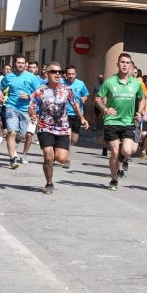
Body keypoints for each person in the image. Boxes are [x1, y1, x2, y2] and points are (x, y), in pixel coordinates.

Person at [29, 61, 89, 194]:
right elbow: (31, 107)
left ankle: (50, 161)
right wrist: (33, 116)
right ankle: (49, 183)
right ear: (46, 74)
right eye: (54, 72)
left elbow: (75, 104)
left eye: (59, 72)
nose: (57, 74)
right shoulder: (40, 91)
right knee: (48, 156)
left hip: (62, 128)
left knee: (61, 158)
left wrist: (82, 118)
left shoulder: (67, 90)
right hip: (45, 127)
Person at [95, 53, 146, 191]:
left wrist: (140, 112)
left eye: (127, 63)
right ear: (118, 64)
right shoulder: (109, 82)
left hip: (128, 122)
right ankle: (113, 180)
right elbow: (98, 98)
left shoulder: (136, 83)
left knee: (127, 150)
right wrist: (105, 109)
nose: (124, 65)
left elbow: (142, 98)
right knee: (115, 152)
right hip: (111, 122)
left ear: (131, 66)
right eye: (122, 62)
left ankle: (122, 161)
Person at [0, 55, 42, 169]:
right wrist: (1, 97)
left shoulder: (31, 77)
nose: (20, 65)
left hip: (26, 109)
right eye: (18, 63)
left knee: (22, 135)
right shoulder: (9, 77)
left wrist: (28, 96)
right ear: (14, 64)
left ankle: (16, 141)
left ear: (25, 64)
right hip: (11, 107)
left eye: (22, 63)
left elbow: (39, 92)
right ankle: (13, 159)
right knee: (11, 132)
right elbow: (0, 89)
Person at [63, 65, 89, 168]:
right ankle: (67, 159)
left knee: (74, 139)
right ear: (66, 74)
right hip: (65, 113)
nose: (71, 76)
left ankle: (67, 147)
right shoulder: (62, 84)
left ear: (75, 74)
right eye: (69, 74)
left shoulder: (80, 84)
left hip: (77, 114)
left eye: (72, 74)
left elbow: (86, 95)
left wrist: (84, 98)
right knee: (68, 137)